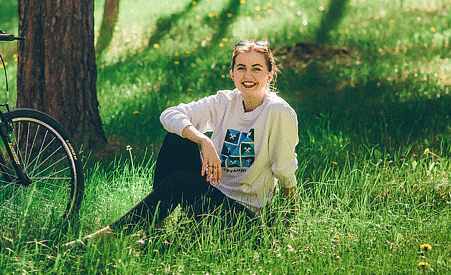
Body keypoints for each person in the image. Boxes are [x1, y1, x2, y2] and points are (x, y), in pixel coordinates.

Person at [68, 41, 299, 245]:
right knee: (177, 137)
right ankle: (155, 228)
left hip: (242, 219)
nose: (248, 75)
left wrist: (289, 224)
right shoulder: (224, 101)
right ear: (232, 74)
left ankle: (109, 235)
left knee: (183, 180)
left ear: (270, 75)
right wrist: (203, 140)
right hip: (208, 200)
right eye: (241, 68)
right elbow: (170, 114)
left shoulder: (278, 112)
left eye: (257, 69)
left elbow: (285, 170)